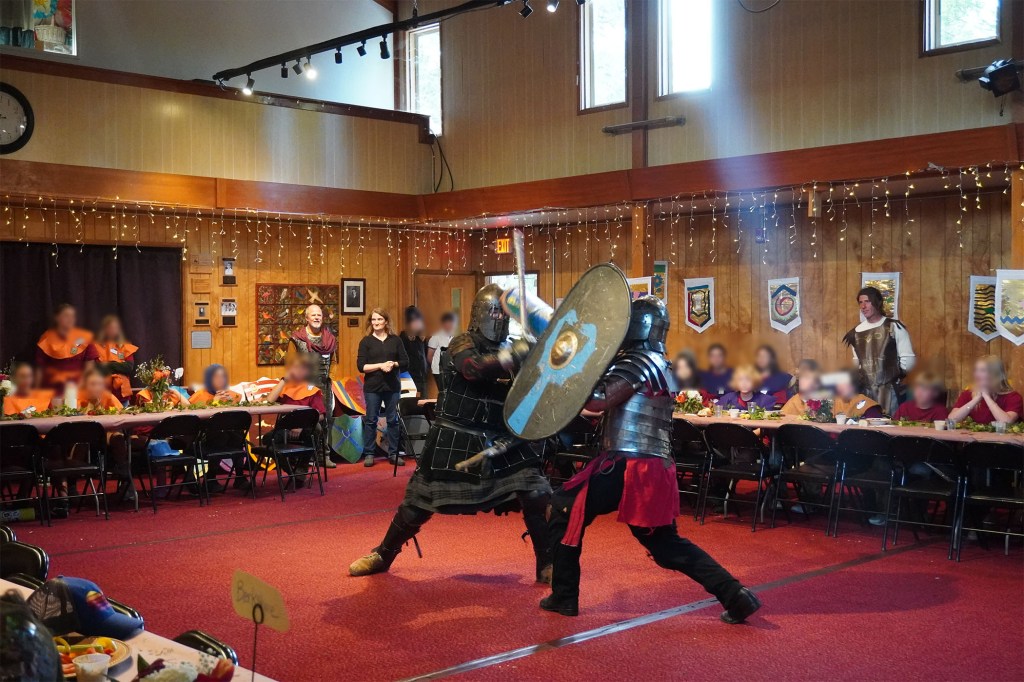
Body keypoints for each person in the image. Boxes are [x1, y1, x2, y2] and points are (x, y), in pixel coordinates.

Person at [540, 296, 760, 623]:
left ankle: (564, 596)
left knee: (563, 507)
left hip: (629, 466)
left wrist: (568, 366)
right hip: (651, 466)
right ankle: (734, 593)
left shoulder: (640, 361)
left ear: (635, 327)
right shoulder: (660, 363)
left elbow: (598, 400)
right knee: (665, 545)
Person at [348, 283, 552, 583]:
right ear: (479, 313)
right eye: (492, 311)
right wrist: (514, 357)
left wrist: (537, 357)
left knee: (535, 491)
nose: (497, 318)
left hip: (499, 438)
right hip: (454, 437)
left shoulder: (512, 347)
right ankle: (383, 553)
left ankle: (547, 564)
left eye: (502, 312)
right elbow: (472, 368)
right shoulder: (461, 343)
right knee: (418, 503)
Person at [843, 287, 915, 415]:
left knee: (889, 426)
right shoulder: (856, 332)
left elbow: (908, 359)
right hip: (865, 390)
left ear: (878, 302)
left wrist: (894, 378)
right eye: (860, 302)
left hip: (890, 391)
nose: (863, 306)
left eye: (867, 301)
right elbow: (857, 362)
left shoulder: (893, 327)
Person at [356, 308, 409, 467]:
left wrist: (393, 364)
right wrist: (380, 365)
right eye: (373, 320)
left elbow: (406, 362)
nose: (376, 323)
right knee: (371, 420)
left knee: (393, 420)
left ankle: (393, 453)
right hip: (372, 387)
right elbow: (361, 366)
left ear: (386, 321)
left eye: (379, 319)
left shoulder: (396, 340)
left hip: (392, 386)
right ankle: (369, 453)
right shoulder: (366, 342)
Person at [289, 304, 338, 468]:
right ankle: (306, 456)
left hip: (323, 386)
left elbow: (335, 363)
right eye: (313, 315)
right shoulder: (297, 339)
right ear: (307, 318)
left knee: (325, 422)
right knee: (307, 421)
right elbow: (291, 365)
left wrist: (330, 378)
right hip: (303, 387)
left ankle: (324, 456)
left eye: (319, 315)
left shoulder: (330, 340)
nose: (317, 317)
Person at [35, 303, 99, 391]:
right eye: (66, 316)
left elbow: (90, 368)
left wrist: (80, 386)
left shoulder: (85, 337)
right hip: (52, 389)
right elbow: (40, 369)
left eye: (72, 316)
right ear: (57, 318)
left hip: (78, 388)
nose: (70, 319)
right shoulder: (46, 339)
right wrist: (37, 392)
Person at [947, 355, 1022, 425]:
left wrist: (987, 397)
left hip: (1003, 439)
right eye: (976, 370)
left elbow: (1006, 422)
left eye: (982, 370)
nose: (976, 374)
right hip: (975, 438)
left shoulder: (1013, 397)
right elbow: (952, 419)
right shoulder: (967, 394)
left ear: (995, 374)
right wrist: (975, 400)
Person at [92, 315, 137, 405]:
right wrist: (118, 365)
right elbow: (95, 368)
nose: (112, 330)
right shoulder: (95, 346)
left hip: (122, 396)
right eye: (109, 327)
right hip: (102, 395)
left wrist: (108, 364)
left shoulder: (125, 345)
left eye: (115, 327)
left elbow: (128, 367)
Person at [399, 306, 428, 396]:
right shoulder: (403, 337)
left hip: (422, 379)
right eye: (414, 321)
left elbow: (425, 357)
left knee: (424, 406)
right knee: (412, 406)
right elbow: (401, 360)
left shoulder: (421, 338)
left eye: (419, 321)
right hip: (408, 379)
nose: (418, 323)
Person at [427, 311, 457, 392]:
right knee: (443, 392)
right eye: (449, 322)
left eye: (453, 322)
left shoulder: (455, 337)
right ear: (444, 324)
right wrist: (435, 365)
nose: (451, 325)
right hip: (439, 371)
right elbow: (429, 356)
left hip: (451, 370)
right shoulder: (436, 337)